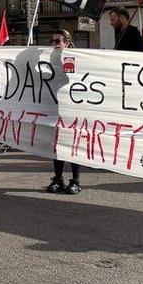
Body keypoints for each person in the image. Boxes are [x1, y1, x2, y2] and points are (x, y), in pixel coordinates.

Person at [46, 30, 83, 194]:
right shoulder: (49, 58)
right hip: (55, 106)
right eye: (52, 41)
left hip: (72, 106)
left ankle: (76, 180)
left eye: (58, 41)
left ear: (67, 43)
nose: (54, 44)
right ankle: (58, 178)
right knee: (57, 145)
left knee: (73, 144)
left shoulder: (75, 58)